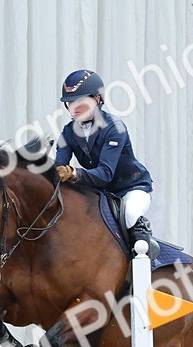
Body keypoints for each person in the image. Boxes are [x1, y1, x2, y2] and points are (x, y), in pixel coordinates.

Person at [53, 69, 158, 259]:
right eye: (70, 103)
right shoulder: (68, 132)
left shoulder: (114, 128)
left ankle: (144, 267)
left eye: (81, 102)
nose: (74, 107)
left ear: (98, 99)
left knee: (131, 215)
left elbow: (105, 174)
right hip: (99, 193)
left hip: (130, 188)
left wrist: (73, 173)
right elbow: (58, 169)